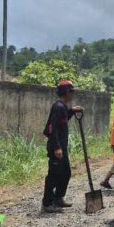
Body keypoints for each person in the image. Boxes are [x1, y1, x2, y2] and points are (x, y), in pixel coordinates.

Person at [41, 80, 84, 213]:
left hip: (62, 147)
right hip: (56, 147)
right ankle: (47, 203)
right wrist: (56, 147)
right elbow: (52, 128)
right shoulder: (58, 107)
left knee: (66, 173)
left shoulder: (63, 107)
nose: (73, 94)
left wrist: (71, 110)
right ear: (66, 92)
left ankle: (58, 198)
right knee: (54, 175)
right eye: (72, 92)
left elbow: (63, 120)